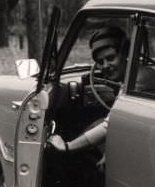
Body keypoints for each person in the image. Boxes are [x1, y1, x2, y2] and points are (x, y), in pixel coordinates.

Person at [46, 25, 127, 156]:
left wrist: (67, 146)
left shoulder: (138, 82)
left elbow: (109, 126)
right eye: (100, 62)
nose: (105, 66)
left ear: (125, 55)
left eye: (111, 58)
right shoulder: (133, 80)